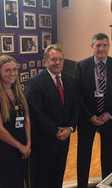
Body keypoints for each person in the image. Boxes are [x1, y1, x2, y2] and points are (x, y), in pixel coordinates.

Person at [74, 33, 112, 188]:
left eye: (104, 45)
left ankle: (108, 184)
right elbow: (77, 94)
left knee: (109, 156)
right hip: (87, 118)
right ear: (92, 47)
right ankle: (82, 185)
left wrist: (109, 114)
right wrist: (90, 115)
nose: (101, 48)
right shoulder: (81, 65)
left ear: (109, 47)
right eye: (98, 45)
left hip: (108, 119)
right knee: (83, 155)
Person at [25, 44, 79, 188]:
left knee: (58, 177)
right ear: (45, 62)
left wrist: (71, 128)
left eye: (60, 59)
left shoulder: (70, 80)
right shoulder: (34, 82)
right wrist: (56, 131)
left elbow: (76, 106)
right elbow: (36, 112)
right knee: (40, 180)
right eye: (53, 59)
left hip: (63, 141)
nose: (57, 63)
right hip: (43, 142)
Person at [0, 55, 31, 188]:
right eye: (7, 70)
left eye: (14, 69)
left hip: (23, 149)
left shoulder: (17, 90)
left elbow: (26, 118)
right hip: (5, 152)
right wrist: (20, 146)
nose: (12, 73)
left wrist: (27, 144)